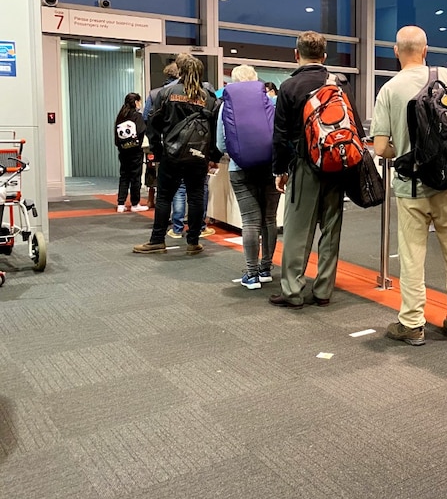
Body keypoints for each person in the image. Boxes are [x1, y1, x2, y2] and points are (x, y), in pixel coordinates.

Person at [371, 25, 447, 346]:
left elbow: (379, 148)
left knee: (413, 254)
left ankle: (412, 323)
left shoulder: (389, 89)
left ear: (395, 51)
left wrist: (402, 151)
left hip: (411, 187)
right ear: (425, 50)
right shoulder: (446, 76)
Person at [269, 31, 364, 308]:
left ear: (296, 54)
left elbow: (280, 135)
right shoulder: (340, 84)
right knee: (331, 228)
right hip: (336, 165)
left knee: (298, 231)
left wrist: (280, 171)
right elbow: (354, 126)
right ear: (324, 56)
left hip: (304, 166)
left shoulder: (289, 87)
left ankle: (293, 291)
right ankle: (323, 291)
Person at [133, 54, 221, 256]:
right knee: (196, 197)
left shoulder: (166, 93)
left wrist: (157, 150)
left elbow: (153, 124)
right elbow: (215, 129)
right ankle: (193, 242)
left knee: (164, 197)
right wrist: (213, 156)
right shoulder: (208, 97)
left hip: (171, 155)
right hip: (198, 156)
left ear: (180, 71)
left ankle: (157, 240)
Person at [217, 65, 280, 289]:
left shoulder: (226, 105)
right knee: (270, 219)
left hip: (240, 169)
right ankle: (266, 269)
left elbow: (220, 144)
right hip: (270, 169)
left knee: (250, 221)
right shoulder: (271, 103)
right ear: (256, 81)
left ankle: (251, 275)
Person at [142, 62, 180, 208]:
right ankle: (179, 217)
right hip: (179, 143)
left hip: (161, 142)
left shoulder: (154, 93)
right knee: (181, 185)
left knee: (158, 176)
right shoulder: (185, 92)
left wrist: (155, 138)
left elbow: (146, 117)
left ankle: (155, 204)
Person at [113, 92, 148, 213]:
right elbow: (142, 131)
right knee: (135, 177)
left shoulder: (120, 115)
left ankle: (120, 204)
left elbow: (116, 136)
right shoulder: (137, 116)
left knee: (124, 176)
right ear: (136, 102)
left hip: (123, 151)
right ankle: (135, 203)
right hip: (135, 151)